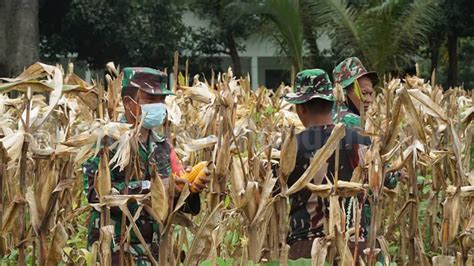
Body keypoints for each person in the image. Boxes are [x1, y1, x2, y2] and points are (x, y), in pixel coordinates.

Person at [83, 67, 210, 264]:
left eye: (161, 100)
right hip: (116, 250)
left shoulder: (163, 146)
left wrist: (190, 191)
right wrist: (152, 188)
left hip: (154, 252)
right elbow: (95, 195)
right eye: (151, 100)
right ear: (128, 103)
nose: (159, 106)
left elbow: (175, 204)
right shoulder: (107, 142)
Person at [283, 69, 371, 259]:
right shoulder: (360, 141)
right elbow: (380, 182)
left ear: (302, 108)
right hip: (354, 246)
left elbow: (274, 192)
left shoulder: (291, 146)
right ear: (331, 102)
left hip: (306, 249)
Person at [332, 57, 379, 128]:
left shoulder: (323, 116)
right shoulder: (352, 122)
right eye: (363, 93)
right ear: (343, 93)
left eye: (370, 94)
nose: (369, 100)